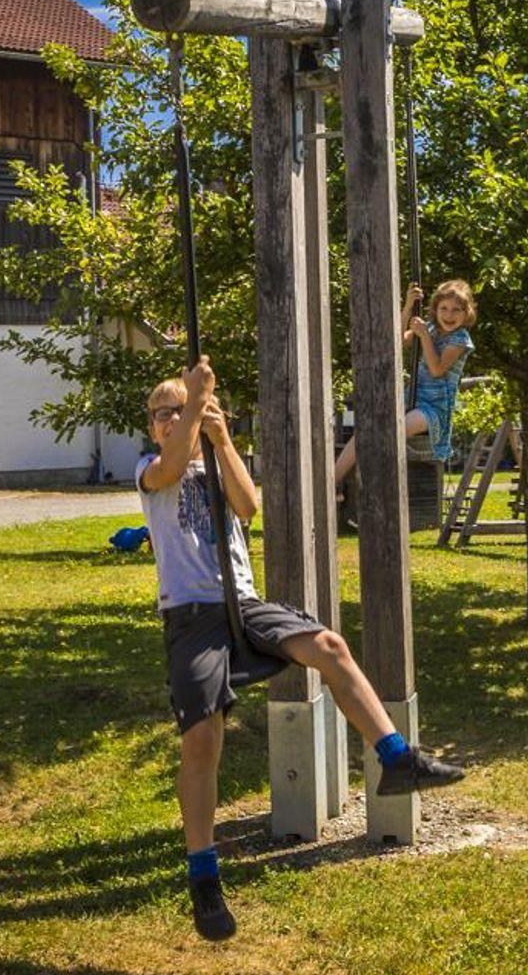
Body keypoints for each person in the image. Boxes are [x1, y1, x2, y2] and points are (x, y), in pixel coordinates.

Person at [140, 357, 465, 941]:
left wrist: (222, 437)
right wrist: (194, 403)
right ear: (151, 427)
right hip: (190, 615)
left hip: (242, 602)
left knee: (330, 646)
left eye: (180, 409)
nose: (172, 419)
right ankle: (203, 873)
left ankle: (397, 759)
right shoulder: (149, 470)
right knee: (203, 738)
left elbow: (248, 506)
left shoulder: (214, 458)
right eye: (163, 413)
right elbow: (169, 468)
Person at [332, 278, 476, 492]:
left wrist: (424, 335)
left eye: (456, 310)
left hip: (434, 409)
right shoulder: (430, 328)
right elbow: (397, 342)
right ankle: (332, 481)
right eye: (444, 308)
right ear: (435, 310)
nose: (449, 315)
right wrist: (408, 306)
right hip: (412, 397)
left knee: (392, 430)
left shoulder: (460, 339)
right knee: (366, 428)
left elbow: (437, 369)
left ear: (466, 313)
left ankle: (366, 482)